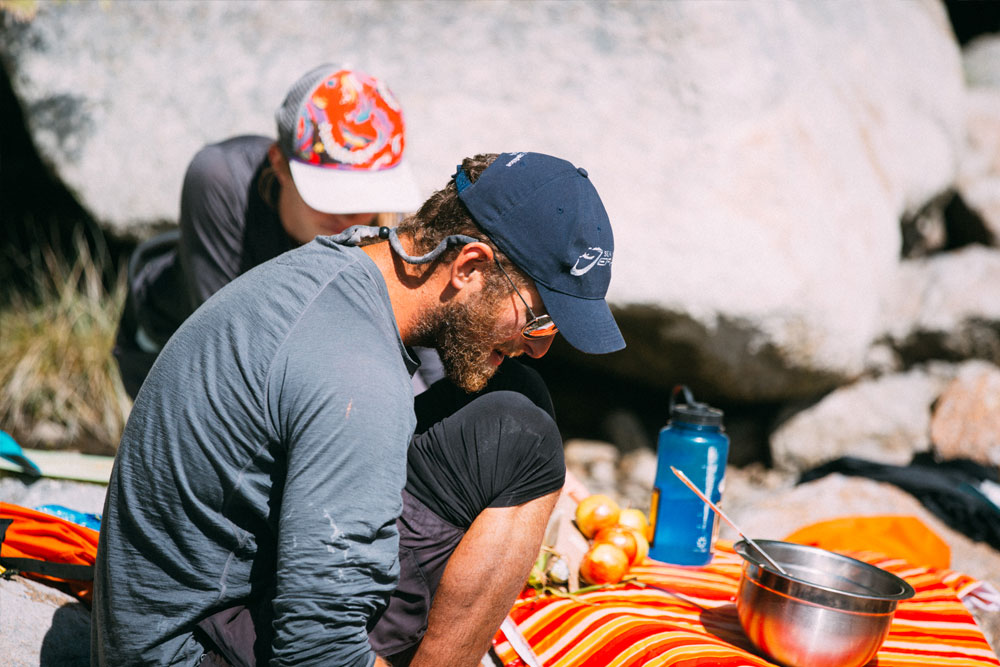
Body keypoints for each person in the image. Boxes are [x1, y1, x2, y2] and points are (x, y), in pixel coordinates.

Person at [92, 150, 625, 666]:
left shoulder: (341, 267)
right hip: (188, 649)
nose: (539, 345)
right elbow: (316, 650)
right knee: (528, 441)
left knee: (515, 410)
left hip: (189, 610)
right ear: (469, 266)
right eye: (539, 319)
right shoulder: (357, 374)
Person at [112, 64, 425, 400]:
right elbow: (224, 352)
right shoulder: (220, 180)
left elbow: (422, 348)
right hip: (164, 344)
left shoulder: (386, 219)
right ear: (279, 163)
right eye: (331, 194)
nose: (348, 213)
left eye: (364, 195)